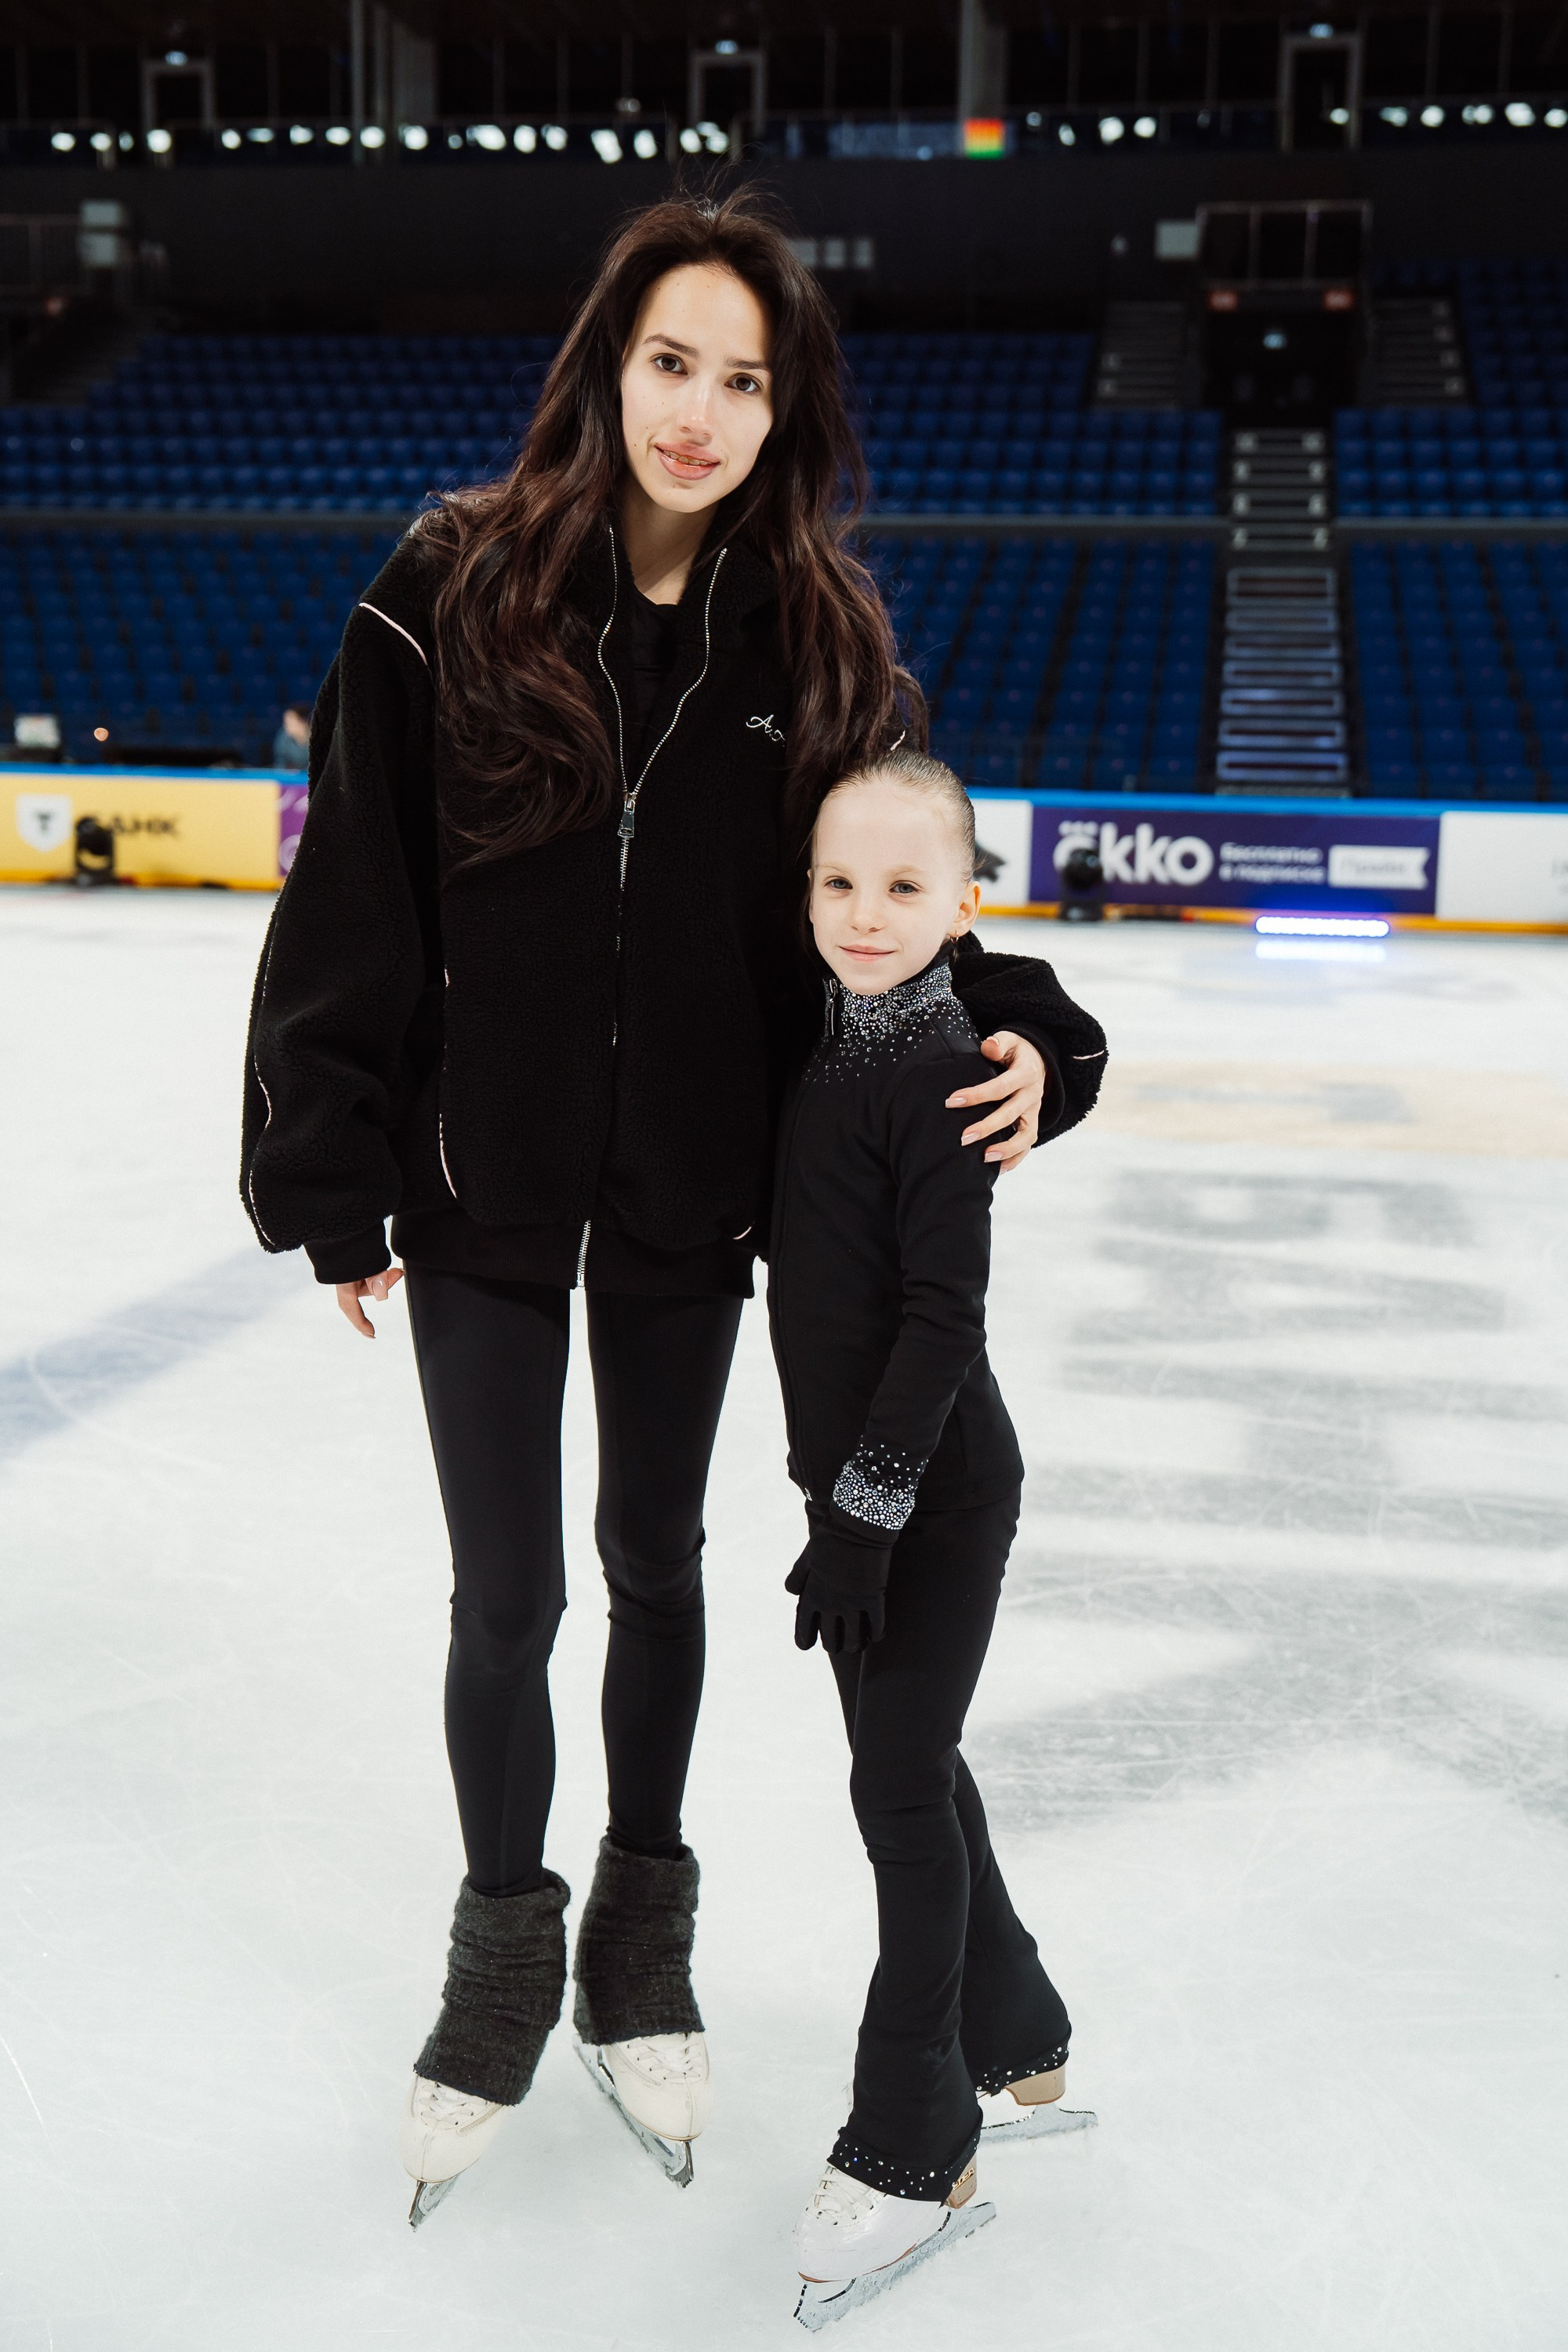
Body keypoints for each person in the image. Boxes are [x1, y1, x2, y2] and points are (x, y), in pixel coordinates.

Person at [238, 190, 1106, 2222]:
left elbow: (898, 902)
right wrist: (332, 1166)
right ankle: (501, 1949)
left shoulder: (814, 646)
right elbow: (349, 890)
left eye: (744, 376)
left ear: (782, 406)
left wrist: (1047, 1037)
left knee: (655, 1563)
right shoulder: (444, 589)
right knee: (506, 1594)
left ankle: (643, 1937)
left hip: (682, 1212)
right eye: (670, 362)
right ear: (606, 366)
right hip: (477, 1198)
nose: (700, 410)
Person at [772, 750, 1092, 2322]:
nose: (865, 913)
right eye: (839, 882)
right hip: (859, 1499)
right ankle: (1012, 2022)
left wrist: (863, 1515)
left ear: (965, 908)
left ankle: (916, 2139)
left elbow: (941, 1316)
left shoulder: (942, 1063)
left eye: (905, 888)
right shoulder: (826, 1036)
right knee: (918, 1760)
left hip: (934, 1490)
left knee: (895, 1786)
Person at [270, 702, 311, 771]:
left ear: (302, 722)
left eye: (290, 722)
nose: (286, 726)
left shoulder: (318, 737)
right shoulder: (283, 736)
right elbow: (280, 762)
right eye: (285, 722)